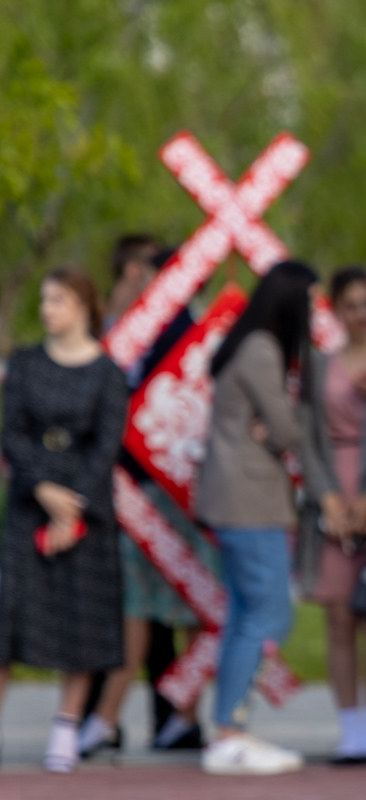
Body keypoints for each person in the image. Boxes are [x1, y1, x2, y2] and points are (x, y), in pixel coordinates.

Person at [79, 244, 213, 758]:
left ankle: (115, 717)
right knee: (183, 605)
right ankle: (176, 715)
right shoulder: (158, 329)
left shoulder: (171, 328)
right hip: (162, 489)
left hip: (160, 487)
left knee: (145, 607)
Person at [0, 267, 128, 773]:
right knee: (9, 616)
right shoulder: (26, 364)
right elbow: (11, 432)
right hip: (30, 502)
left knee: (83, 620)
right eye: (44, 299)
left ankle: (67, 727)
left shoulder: (107, 372)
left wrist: (71, 509)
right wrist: (43, 489)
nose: (46, 309)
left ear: (81, 305)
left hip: (85, 511)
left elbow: (106, 446)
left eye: (56, 299)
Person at [195, 260, 319, 775]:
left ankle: (227, 729)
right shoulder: (263, 349)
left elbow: (272, 426)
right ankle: (230, 732)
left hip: (232, 500)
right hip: (251, 502)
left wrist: (272, 427)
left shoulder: (242, 344)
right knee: (269, 614)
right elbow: (287, 430)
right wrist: (284, 425)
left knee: (245, 616)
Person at [298, 266, 366, 765]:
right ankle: (349, 727)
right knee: (339, 619)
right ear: (336, 310)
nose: (362, 314)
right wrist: (328, 499)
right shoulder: (319, 366)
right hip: (332, 496)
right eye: (352, 305)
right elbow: (307, 436)